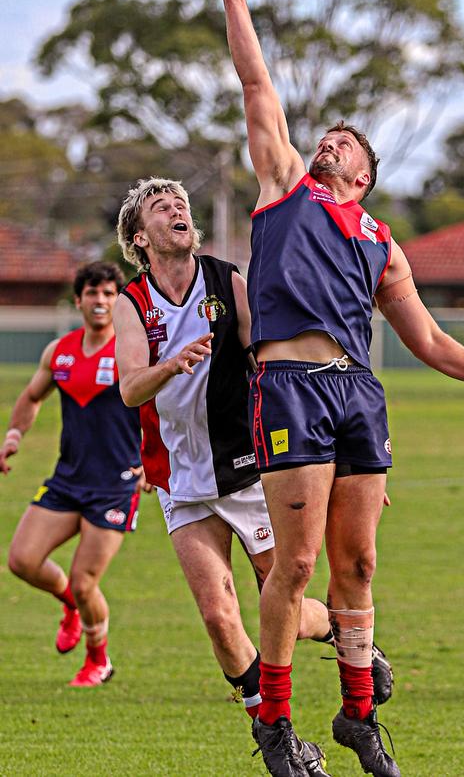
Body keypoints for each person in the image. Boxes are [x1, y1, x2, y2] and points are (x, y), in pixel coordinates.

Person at [193, 0, 464, 777]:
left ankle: (358, 719)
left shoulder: (384, 243)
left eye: (344, 140)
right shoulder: (283, 183)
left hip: (359, 393)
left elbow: (424, 339)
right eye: (326, 135)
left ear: (366, 171)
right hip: (288, 386)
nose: (329, 141)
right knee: (300, 562)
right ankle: (276, 729)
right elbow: (256, 86)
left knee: (358, 563)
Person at [115, 176, 367, 776]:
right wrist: (171, 365)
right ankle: (276, 735)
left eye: (179, 202)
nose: (177, 208)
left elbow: (266, 353)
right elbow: (129, 388)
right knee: (217, 615)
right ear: (139, 236)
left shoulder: (226, 278)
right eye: (160, 206)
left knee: (284, 599)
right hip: (179, 478)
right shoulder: (134, 302)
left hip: (250, 470)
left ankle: (344, 631)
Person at [0, 261, 143, 687]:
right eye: (92, 293)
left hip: (116, 484)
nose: (100, 301)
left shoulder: (131, 352)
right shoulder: (58, 351)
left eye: (108, 293)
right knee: (22, 560)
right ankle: (70, 607)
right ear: (78, 300)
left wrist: (155, 463)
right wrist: (13, 435)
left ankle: (99, 660)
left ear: (119, 301)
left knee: (85, 582)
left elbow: (163, 409)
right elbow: (31, 396)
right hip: (68, 479)